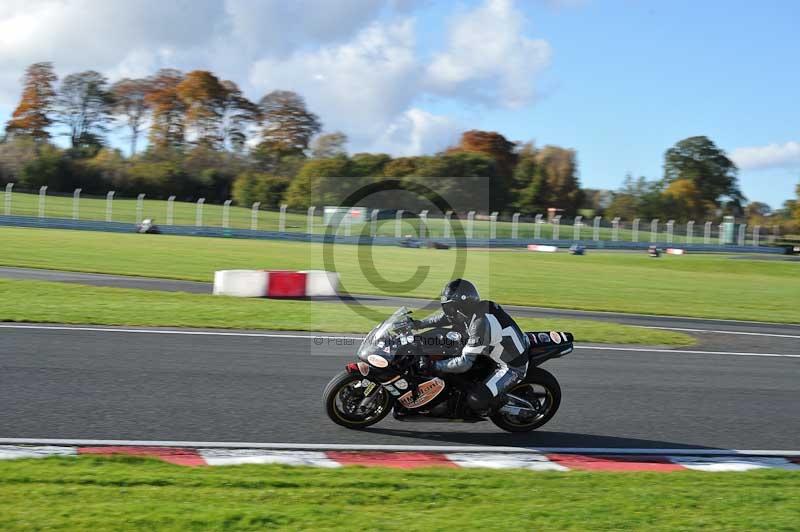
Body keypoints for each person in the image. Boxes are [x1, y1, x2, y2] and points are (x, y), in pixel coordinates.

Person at [411, 279, 530, 417]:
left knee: (476, 400)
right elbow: (445, 318)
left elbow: (464, 364)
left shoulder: (479, 324)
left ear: (462, 306)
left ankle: (500, 404)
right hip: (491, 351)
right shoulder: (472, 311)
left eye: (451, 308)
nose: (448, 312)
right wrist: (418, 324)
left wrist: (434, 365)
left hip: (511, 366)